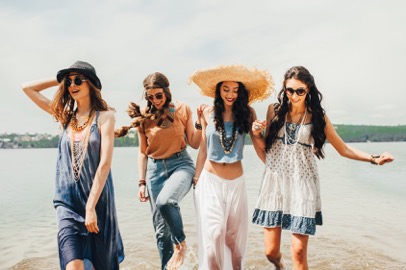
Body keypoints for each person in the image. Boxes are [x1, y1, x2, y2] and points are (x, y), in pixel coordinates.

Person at [251, 65, 394, 270]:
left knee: (299, 252)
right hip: (275, 184)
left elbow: (343, 149)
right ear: (284, 88)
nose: (294, 95)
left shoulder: (317, 117)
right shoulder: (273, 111)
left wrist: (373, 158)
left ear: (308, 89)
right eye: (290, 90)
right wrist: (255, 134)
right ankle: (279, 265)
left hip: (303, 185)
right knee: (270, 252)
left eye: (300, 90)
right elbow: (265, 149)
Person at [21, 61, 124, 270]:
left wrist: (90, 207)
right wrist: (61, 77)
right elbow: (28, 88)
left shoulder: (105, 117)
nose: (72, 85)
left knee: (100, 265)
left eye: (78, 80)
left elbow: (104, 164)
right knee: (73, 266)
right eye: (69, 81)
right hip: (67, 203)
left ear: (91, 84)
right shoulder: (66, 116)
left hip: (97, 203)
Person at [115, 72, 204, 270]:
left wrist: (199, 122)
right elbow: (142, 152)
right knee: (161, 232)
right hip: (155, 171)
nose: (155, 100)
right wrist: (141, 182)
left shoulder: (181, 109)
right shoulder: (144, 118)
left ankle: (181, 243)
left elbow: (195, 143)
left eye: (159, 96)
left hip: (181, 165)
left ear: (166, 92)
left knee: (166, 201)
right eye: (150, 96)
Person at [189, 64, 274, 270]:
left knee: (233, 242)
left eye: (236, 90)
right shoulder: (207, 112)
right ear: (218, 89)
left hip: (236, 183)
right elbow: (203, 149)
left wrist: (273, 167)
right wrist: (196, 179)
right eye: (226, 89)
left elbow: (259, 147)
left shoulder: (248, 113)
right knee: (214, 236)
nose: (231, 94)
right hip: (210, 181)